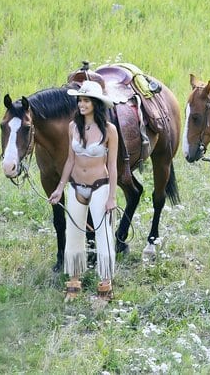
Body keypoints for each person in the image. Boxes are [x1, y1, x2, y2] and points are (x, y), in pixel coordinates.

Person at [48, 80, 118, 302]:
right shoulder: (72, 127)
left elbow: (113, 166)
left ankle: (105, 286)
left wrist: (112, 196)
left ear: (96, 104)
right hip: (76, 185)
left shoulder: (109, 130)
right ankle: (74, 281)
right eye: (80, 100)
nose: (81, 104)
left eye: (86, 100)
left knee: (103, 234)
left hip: (100, 185)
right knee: (74, 232)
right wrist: (60, 188)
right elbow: (70, 160)